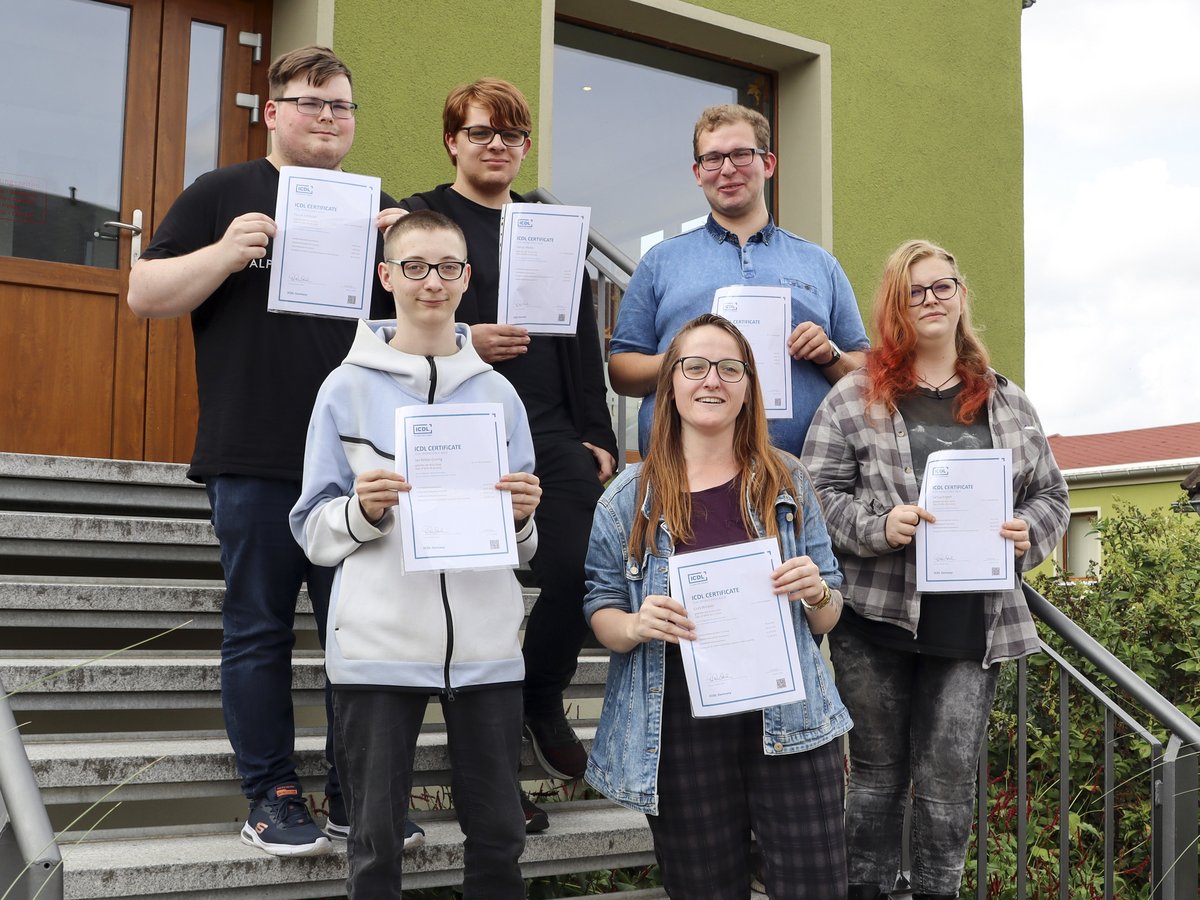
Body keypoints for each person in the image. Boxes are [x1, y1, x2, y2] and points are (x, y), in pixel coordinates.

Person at [127, 46, 396, 855]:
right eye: (311, 101)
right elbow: (144, 295)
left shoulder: (377, 207)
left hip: (357, 463)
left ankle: (352, 795)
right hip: (253, 451)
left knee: (362, 634)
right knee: (259, 630)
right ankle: (271, 795)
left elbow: (427, 324)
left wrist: (406, 260)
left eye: (341, 104)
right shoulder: (223, 193)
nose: (328, 117)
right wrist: (226, 250)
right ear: (273, 112)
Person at [801, 240, 1069, 899]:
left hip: (971, 622)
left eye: (941, 286)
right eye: (914, 291)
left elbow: (1052, 496)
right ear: (895, 305)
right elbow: (814, 494)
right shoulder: (853, 396)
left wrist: (1025, 532)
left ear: (961, 294)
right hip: (874, 617)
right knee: (874, 779)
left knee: (948, 787)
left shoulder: (1008, 402)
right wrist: (879, 527)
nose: (930, 300)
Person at [290, 210, 541, 898]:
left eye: (448, 267)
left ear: (467, 279)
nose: (432, 281)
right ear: (386, 277)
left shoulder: (500, 394)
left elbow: (524, 546)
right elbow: (312, 529)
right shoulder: (344, 388)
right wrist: (363, 511)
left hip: (487, 645)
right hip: (378, 645)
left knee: (501, 839)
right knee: (375, 844)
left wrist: (523, 519)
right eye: (415, 267)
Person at [389, 78, 618, 830]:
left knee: (584, 567)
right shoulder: (422, 219)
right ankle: (486, 781)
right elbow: (387, 314)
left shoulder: (546, 227)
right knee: (476, 608)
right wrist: (464, 340)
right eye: (481, 132)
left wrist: (597, 432)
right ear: (452, 141)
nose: (498, 146)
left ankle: (539, 696)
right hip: (456, 430)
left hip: (549, 431)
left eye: (512, 135)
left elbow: (580, 333)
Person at [584, 313, 852, 898]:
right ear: (670, 385)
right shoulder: (626, 499)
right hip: (680, 720)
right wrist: (635, 623)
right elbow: (601, 608)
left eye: (730, 368)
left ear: (749, 387)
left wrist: (817, 591)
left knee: (817, 885)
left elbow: (828, 614)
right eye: (695, 366)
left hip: (790, 712)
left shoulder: (787, 480)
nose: (712, 380)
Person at [608, 103, 870, 457]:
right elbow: (621, 371)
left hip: (803, 472)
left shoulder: (820, 264)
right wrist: (684, 357)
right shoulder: (660, 261)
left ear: (768, 164)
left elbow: (866, 374)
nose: (727, 169)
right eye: (712, 158)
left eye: (741, 154)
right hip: (680, 469)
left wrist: (829, 353)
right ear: (698, 172)